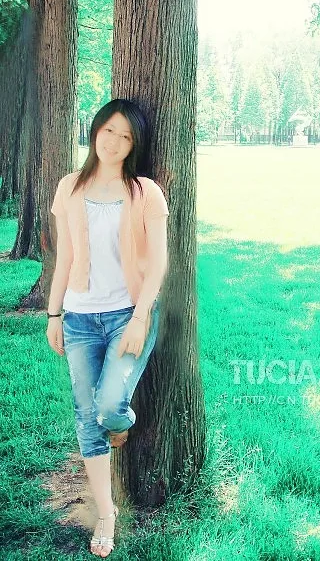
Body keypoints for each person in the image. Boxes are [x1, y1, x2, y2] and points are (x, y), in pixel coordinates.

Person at [46, 98, 169, 557]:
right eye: (109, 130)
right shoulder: (69, 187)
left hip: (127, 315)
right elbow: (65, 256)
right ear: (95, 130)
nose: (114, 142)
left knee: (110, 405)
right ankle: (106, 512)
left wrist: (139, 319)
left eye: (126, 136)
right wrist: (54, 314)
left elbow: (158, 263)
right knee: (87, 416)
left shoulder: (145, 192)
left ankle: (121, 425)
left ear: (135, 145)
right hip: (79, 318)